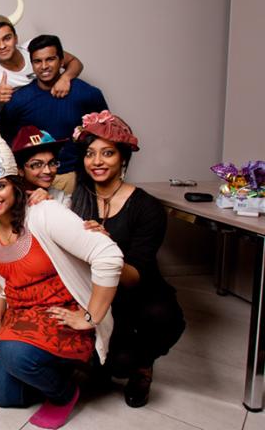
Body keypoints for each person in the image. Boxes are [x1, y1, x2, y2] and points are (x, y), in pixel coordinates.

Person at [0, 118, 123, 429]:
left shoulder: (44, 212)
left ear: (15, 185)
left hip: (61, 311)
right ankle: (59, 369)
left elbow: (108, 256)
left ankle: (65, 392)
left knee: (13, 355)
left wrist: (90, 316)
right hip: (20, 313)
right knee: (0, 392)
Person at [70, 110, 185, 408]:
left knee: (145, 338)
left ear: (123, 158)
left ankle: (143, 367)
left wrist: (105, 248)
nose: (97, 161)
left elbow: (134, 276)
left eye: (107, 153)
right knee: (103, 365)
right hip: (92, 293)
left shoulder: (147, 207)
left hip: (135, 293)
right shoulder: (76, 198)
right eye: (90, 154)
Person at [0, 35, 108, 194]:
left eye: (50, 59)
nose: (44, 66)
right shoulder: (19, 100)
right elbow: (3, 138)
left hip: (74, 176)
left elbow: (105, 135)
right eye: (37, 61)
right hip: (33, 181)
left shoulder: (87, 94)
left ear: (61, 61)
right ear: (32, 64)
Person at [0, 0, 83, 117]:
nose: (2, 46)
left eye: (7, 38)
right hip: (31, 118)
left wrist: (65, 78)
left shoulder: (34, 48)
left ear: (16, 38)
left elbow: (75, 62)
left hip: (61, 103)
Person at [11, 125, 70, 206]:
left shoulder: (61, 198)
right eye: (37, 164)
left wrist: (50, 203)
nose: (48, 171)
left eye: (52, 163)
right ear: (20, 170)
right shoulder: (9, 198)